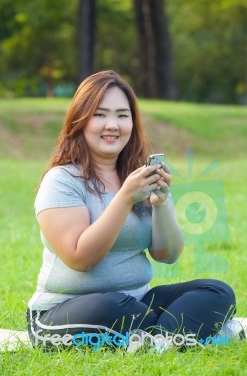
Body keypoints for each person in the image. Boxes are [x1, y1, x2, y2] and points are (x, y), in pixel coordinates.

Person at [27, 70, 237, 352]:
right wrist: (125, 198)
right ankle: (190, 331)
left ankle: (159, 342)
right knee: (114, 305)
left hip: (137, 302)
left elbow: (167, 254)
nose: (112, 125)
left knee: (217, 291)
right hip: (64, 312)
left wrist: (161, 204)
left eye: (122, 115)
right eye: (99, 114)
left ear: (133, 122)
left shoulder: (139, 176)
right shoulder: (62, 180)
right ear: (80, 119)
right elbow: (80, 258)